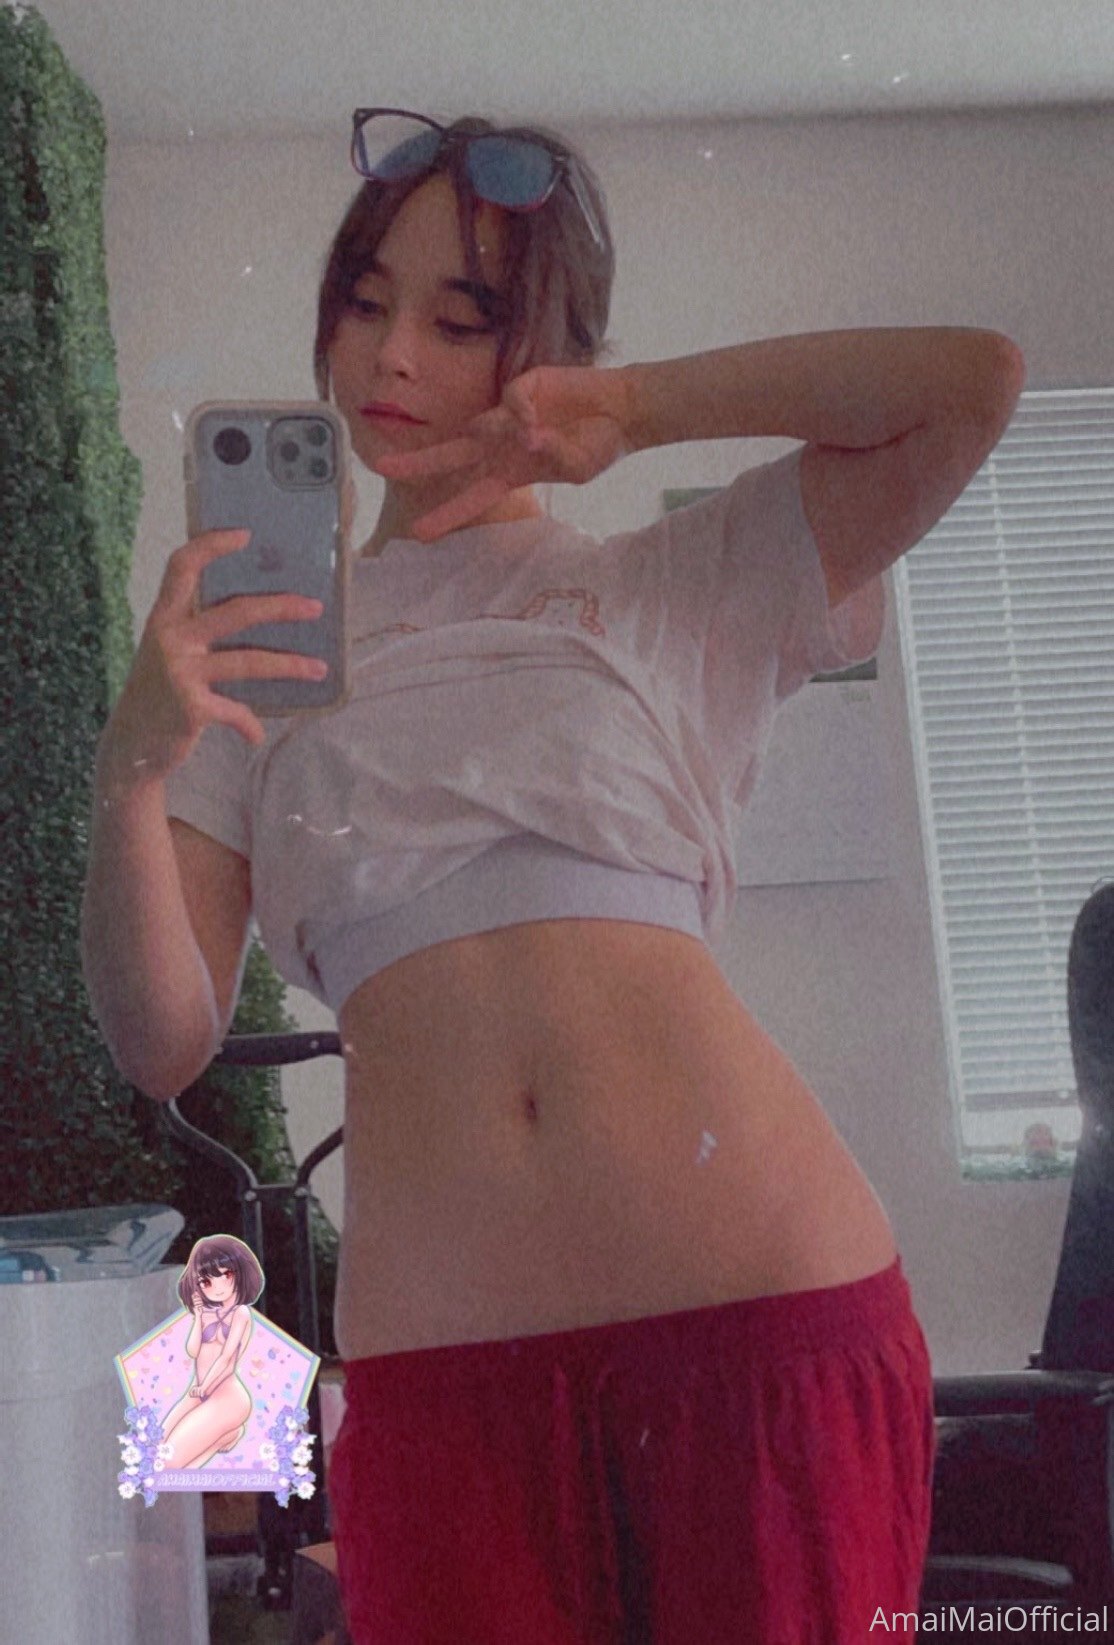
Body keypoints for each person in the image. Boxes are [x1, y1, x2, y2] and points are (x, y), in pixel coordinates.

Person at [81, 108, 1025, 1643]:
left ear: (548, 353)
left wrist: (635, 414)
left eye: (462, 320)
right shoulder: (252, 669)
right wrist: (130, 768)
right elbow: (161, 1037)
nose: (393, 356)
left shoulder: (670, 584)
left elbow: (968, 382)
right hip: (447, 1395)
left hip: (754, 1326)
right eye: (365, 302)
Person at [159, 1234, 262, 1469]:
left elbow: (227, 1359)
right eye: (206, 1282)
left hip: (226, 1395)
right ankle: (227, 1436)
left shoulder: (241, 1314)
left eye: (226, 1275)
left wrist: (205, 1387)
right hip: (197, 1391)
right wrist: (198, 1317)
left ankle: (225, 1434)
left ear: (240, 1273)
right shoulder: (207, 1313)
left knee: (169, 1461)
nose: (218, 1287)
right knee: (154, 1449)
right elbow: (193, 1350)